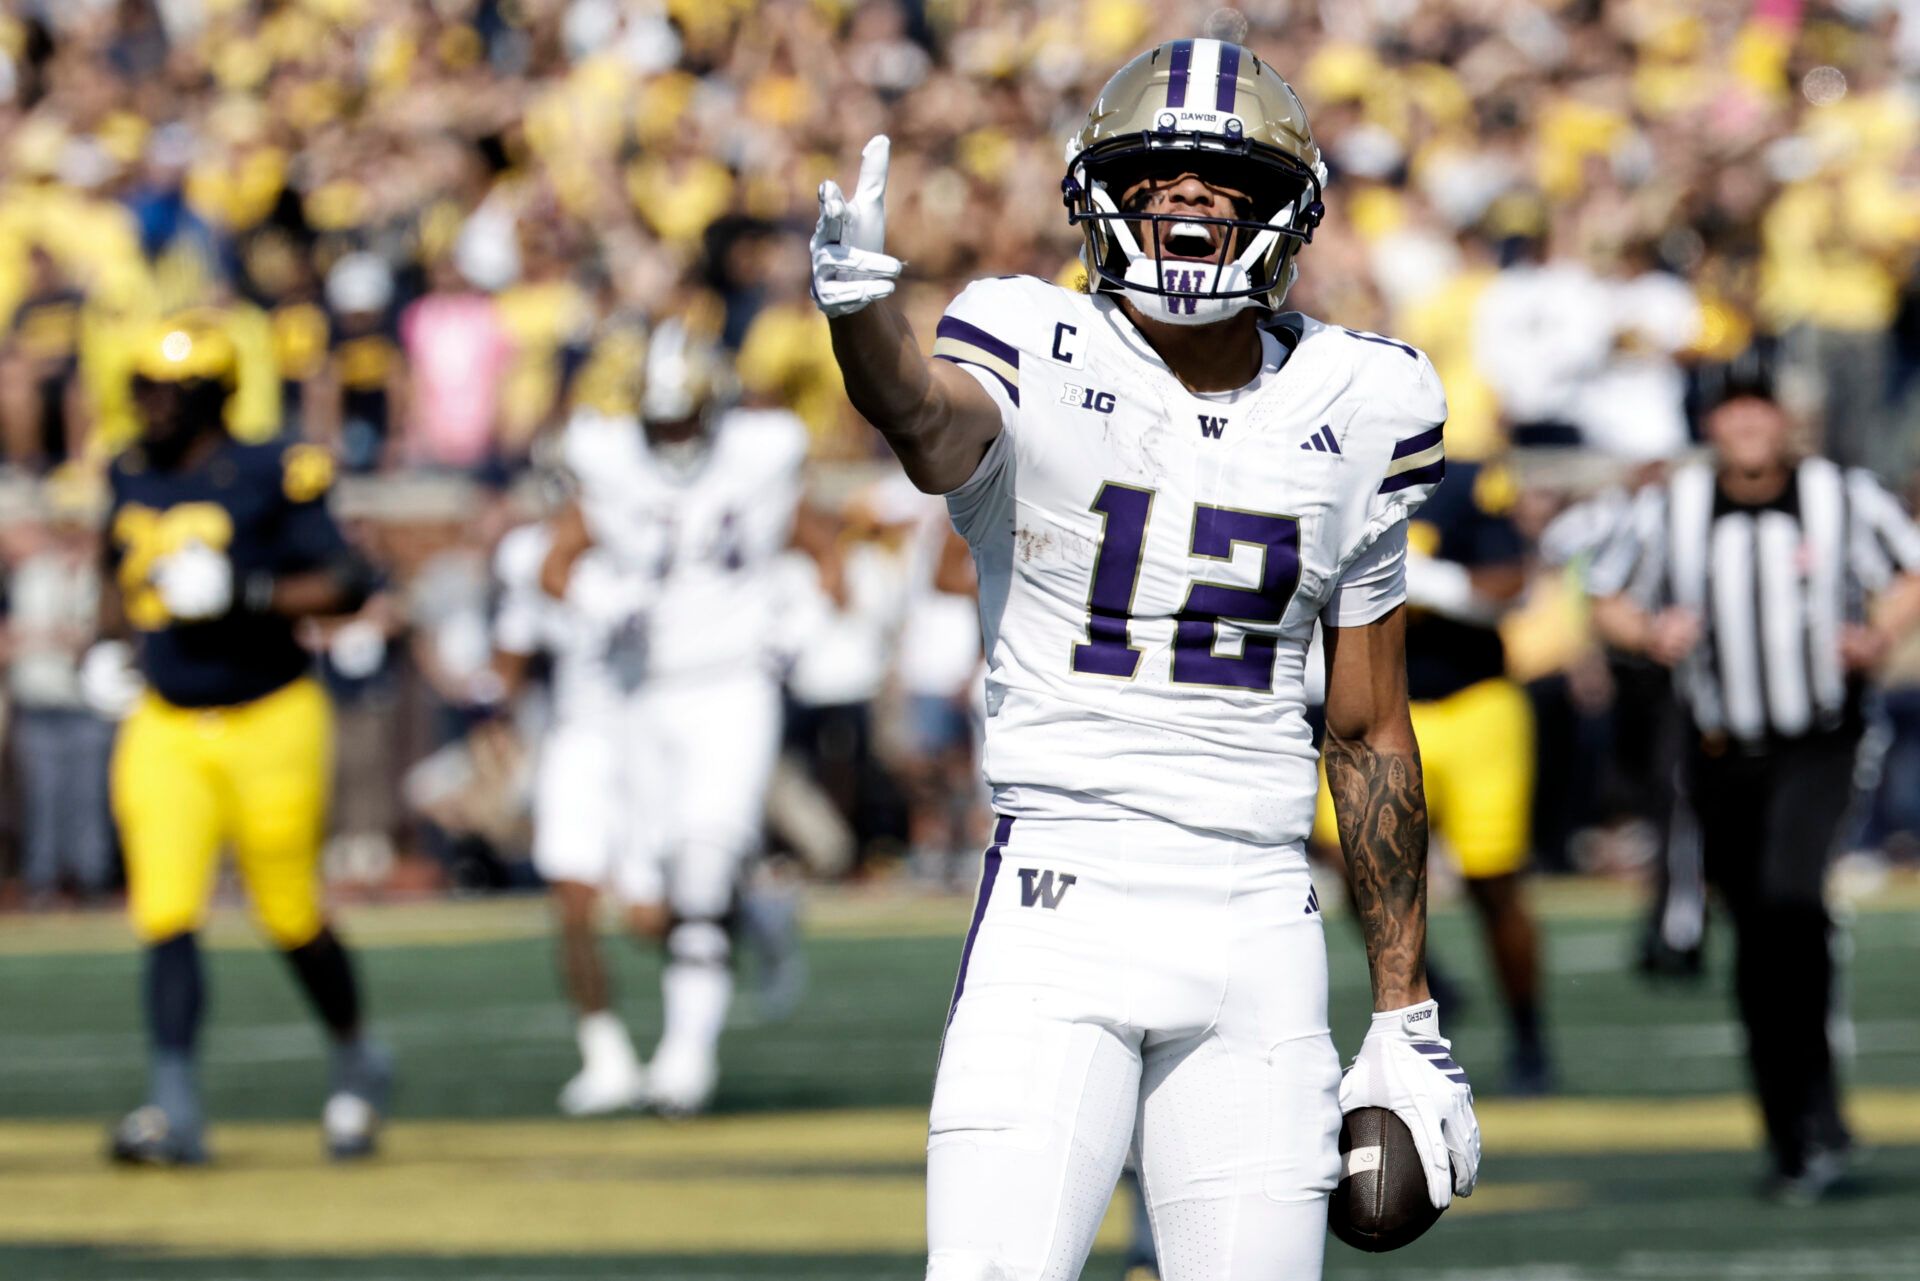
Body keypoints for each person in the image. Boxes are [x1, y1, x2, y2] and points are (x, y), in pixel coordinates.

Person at [811, 38, 1480, 1280]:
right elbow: (923, 418)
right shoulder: (1029, 340)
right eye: (1158, 174)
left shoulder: (1364, 400)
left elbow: (1371, 729)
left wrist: (1406, 1012)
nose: (1185, 200)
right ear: (1097, 191)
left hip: (1258, 913)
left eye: (1220, 180)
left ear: (1288, 213)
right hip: (1060, 895)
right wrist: (864, 326)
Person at [1588, 373, 1920, 1202]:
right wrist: (1650, 630)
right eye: (1730, 410)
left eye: (1759, 408)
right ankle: (1794, 1124)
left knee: (1789, 902)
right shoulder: (1676, 503)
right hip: (1719, 748)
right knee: (1758, 935)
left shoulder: (1840, 494)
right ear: (1712, 423)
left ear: (1782, 419)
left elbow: (1909, 570)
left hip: (1819, 740)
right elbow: (1608, 596)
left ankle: (1812, 1118)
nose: (1746, 425)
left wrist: (1876, 636)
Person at [88, 311, 389, 1165]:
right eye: (140, 385)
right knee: (166, 910)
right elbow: (109, 569)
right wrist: (108, 646)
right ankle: (174, 1107)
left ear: (211, 393)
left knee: (289, 910)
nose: (147, 404)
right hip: (166, 721)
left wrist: (247, 591)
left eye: (164, 389)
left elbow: (348, 580)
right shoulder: (126, 470)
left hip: (271, 712)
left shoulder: (271, 470)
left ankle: (357, 1057)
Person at [538, 321, 826, 1115]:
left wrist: (802, 621)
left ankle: (683, 1061)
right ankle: (758, 913)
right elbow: (558, 563)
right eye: (658, 419)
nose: (671, 434)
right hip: (643, 693)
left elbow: (821, 552)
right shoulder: (607, 463)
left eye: (683, 416)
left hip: (733, 684)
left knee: (700, 867)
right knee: (650, 903)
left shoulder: (760, 455)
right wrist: (601, 599)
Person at [1312, 457, 1550, 1092]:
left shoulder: (1467, 480)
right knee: (1345, 858)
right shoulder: (1324, 469)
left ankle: (1529, 1034)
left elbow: (1509, 587)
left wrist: (1412, 575)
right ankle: (1431, 984)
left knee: (1493, 882)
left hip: (1472, 704)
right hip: (1375, 702)